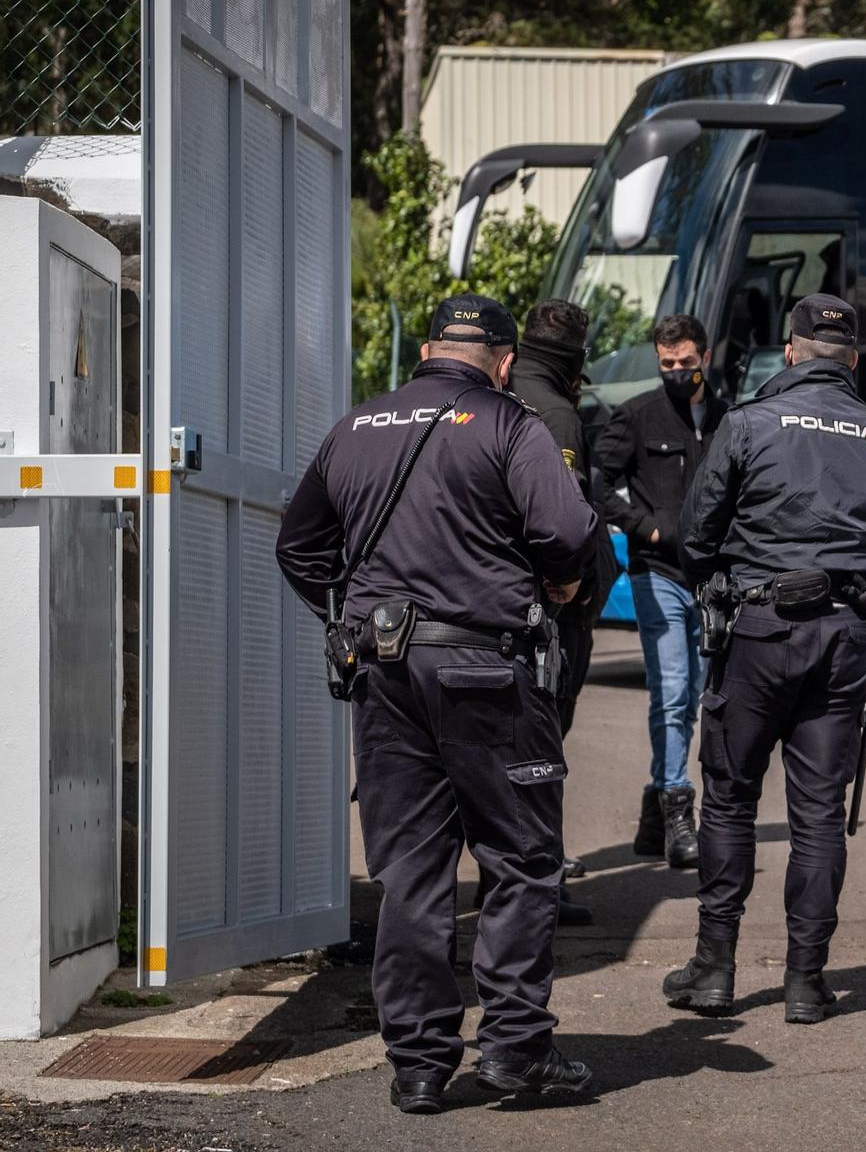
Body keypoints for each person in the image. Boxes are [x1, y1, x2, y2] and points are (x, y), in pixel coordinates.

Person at [275, 296, 597, 1114]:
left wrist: (349, 619)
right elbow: (566, 530)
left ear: (426, 349)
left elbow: (298, 546)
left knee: (412, 871)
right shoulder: (510, 423)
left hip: (383, 670)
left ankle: (419, 1064)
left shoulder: (357, 426)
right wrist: (559, 582)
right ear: (498, 358)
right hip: (486, 670)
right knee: (521, 860)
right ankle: (516, 1053)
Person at [661, 294, 866, 1025]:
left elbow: (696, 535)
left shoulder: (747, 424)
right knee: (817, 815)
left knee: (732, 797)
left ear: (792, 349)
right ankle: (807, 983)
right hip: (846, 638)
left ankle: (714, 970)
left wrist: (722, 583)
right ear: (854, 363)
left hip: (760, 631)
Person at [596, 315, 731, 865]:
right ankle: (679, 813)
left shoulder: (729, 419)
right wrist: (644, 526)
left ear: (704, 355)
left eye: (686, 362)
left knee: (698, 696)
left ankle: (654, 820)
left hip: (713, 580)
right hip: (658, 575)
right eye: (667, 364)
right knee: (673, 693)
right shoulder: (637, 415)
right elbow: (598, 482)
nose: (677, 371)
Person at [505, 298, 620, 924]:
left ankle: (512, 882)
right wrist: (570, 584)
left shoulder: (494, 393)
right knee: (541, 753)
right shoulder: (557, 414)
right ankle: (538, 888)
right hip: (551, 617)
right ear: (574, 359)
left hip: (495, 607)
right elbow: (566, 522)